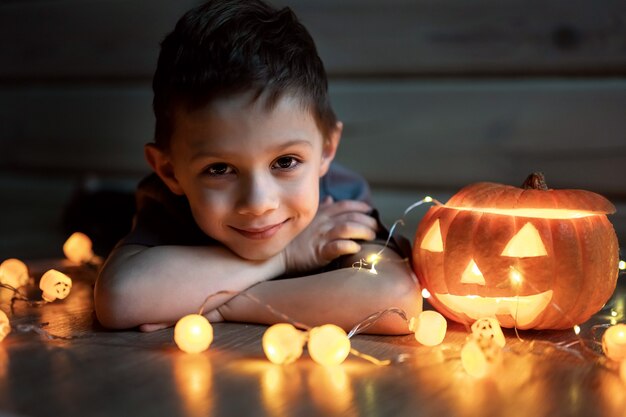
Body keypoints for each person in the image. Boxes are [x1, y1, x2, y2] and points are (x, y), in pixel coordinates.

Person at [94, 0, 421, 334]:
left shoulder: (337, 202)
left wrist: (224, 305)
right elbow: (119, 297)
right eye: (219, 169)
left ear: (326, 150)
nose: (258, 203)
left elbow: (396, 300)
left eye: (285, 162)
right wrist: (286, 256)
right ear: (170, 171)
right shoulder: (169, 204)